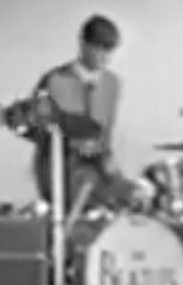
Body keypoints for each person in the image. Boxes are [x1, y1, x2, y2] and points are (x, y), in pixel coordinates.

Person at [28, 14, 123, 212]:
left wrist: (111, 170)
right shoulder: (54, 80)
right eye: (99, 48)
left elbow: (107, 132)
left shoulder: (112, 84)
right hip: (60, 174)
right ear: (83, 45)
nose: (105, 57)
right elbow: (35, 127)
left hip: (98, 174)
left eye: (109, 50)